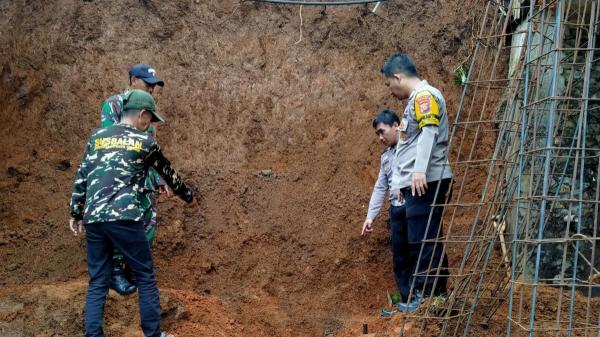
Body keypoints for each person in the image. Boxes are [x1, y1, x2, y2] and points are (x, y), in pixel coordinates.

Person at [69, 90, 195, 337]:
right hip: (125, 216)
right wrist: (188, 197)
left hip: (94, 218)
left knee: (97, 281)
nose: (149, 124)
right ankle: (153, 334)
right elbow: (169, 174)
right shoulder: (145, 142)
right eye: (149, 119)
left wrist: (75, 212)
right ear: (142, 114)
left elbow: (82, 175)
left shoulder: (97, 137)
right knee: (145, 275)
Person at [381, 53, 452, 313]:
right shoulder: (416, 100)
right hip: (422, 180)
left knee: (422, 238)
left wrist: (419, 171)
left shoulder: (424, 96)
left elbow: (429, 132)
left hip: (428, 178)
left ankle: (426, 295)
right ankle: (437, 293)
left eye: (390, 84)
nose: (391, 90)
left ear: (398, 77)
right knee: (425, 235)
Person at [101, 64, 169, 295]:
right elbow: (112, 141)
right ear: (132, 80)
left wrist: (158, 176)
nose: (151, 88)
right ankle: (116, 270)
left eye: (153, 85)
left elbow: (152, 145)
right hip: (122, 177)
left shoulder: (148, 107)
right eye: (146, 82)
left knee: (148, 223)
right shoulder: (114, 104)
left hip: (145, 178)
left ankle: (133, 269)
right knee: (123, 221)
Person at [361, 110, 412, 312]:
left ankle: (423, 295)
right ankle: (407, 299)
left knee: (418, 250)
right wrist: (370, 217)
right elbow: (380, 187)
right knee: (400, 257)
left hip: (413, 206)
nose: (380, 138)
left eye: (382, 132)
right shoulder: (385, 157)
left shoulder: (410, 146)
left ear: (395, 126)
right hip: (396, 211)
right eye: (377, 134)